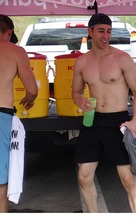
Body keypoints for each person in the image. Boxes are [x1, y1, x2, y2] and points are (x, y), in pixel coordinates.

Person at [72, 13, 136, 213]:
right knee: (84, 176)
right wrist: (80, 101)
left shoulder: (122, 58)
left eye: (109, 31)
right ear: (90, 32)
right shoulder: (82, 62)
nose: (106, 36)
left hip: (118, 121)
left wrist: (134, 122)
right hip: (92, 121)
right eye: (101, 31)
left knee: (128, 179)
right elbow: (75, 92)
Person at [0, 14, 38, 212]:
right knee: (0, 183)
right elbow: (32, 89)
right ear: (10, 32)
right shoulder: (15, 51)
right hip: (1, 117)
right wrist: (29, 100)